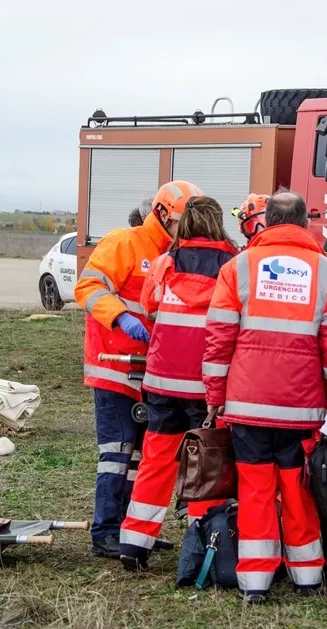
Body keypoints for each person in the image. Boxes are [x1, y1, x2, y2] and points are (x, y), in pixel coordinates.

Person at [203, 189, 327, 603]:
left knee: (255, 491)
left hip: (247, 404)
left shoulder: (238, 268)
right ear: (306, 223)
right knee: (298, 490)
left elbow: (218, 339)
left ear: (265, 221)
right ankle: (307, 575)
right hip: (302, 407)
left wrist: (215, 395)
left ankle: (255, 581)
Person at [75, 180, 204, 559]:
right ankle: (105, 532)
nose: (187, 228)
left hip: (152, 371)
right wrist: (121, 318)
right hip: (114, 366)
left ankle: (132, 531)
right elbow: (88, 287)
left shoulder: (178, 254)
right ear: (162, 214)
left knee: (141, 457)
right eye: (182, 221)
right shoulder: (124, 242)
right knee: (117, 453)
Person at [119, 196, 239, 571]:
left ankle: (134, 544)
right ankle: (202, 547)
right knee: (206, 467)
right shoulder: (233, 266)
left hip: (162, 381)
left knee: (155, 461)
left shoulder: (165, 263)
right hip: (207, 386)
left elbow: (150, 307)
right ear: (218, 223)